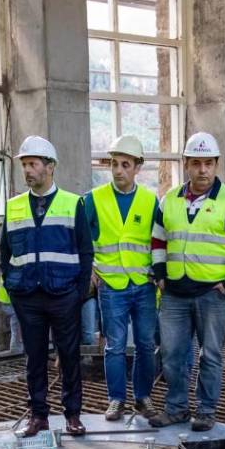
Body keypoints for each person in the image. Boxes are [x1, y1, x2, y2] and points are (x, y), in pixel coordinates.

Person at [149, 132, 225, 432]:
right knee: (171, 354)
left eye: (208, 163)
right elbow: (158, 240)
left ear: (216, 164)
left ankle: (206, 411)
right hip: (174, 293)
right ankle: (176, 409)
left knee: (210, 355)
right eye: (196, 163)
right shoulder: (169, 200)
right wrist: (160, 274)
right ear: (186, 164)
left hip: (213, 293)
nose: (202, 170)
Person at [0, 135, 92, 437]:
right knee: (34, 358)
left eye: (33, 164)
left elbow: (85, 251)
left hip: (64, 294)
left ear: (50, 167)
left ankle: (73, 415)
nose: (27, 170)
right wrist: (13, 287)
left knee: (69, 356)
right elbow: (4, 253)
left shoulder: (72, 203)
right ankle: (38, 416)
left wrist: (79, 293)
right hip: (28, 296)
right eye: (24, 164)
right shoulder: (14, 207)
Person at [83, 134, 160, 421]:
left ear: (137, 167)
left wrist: (157, 275)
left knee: (145, 345)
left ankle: (143, 397)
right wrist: (89, 270)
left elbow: (159, 242)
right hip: (111, 285)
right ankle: (116, 400)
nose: (118, 170)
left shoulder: (150, 201)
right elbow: (80, 240)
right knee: (114, 346)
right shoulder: (93, 199)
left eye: (125, 165)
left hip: (143, 284)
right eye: (114, 164)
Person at [0, 277, 23, 353]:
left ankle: (16, 347)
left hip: (7, 298)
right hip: (10, 298)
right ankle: (16, 347)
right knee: (17, 322)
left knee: (16, 322)